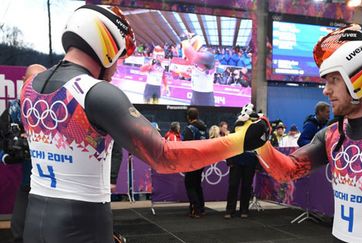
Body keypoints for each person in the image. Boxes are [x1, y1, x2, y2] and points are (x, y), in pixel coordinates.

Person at [19, 5, 270, 243]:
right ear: (106, 45)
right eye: (118, 57)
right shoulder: (96, 92)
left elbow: (36, 71)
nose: (116, 67)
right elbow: (163, 156)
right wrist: (239, 141)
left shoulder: (30, 87)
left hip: (36, 217)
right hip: (85, 220)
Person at [254, 24, 362, 243]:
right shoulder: (332, 134)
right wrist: (260, 144)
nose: (326, 90)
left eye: (333, 80)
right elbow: (287, 171)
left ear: (359, 80)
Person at [0, 64, 46, 243]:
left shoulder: (58, 108)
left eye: (39, 79)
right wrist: (6, 155)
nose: (35, 84)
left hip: (55, 187)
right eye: (30, 79)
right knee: (18, 228)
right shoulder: (14, 109)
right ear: (23, 81)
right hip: (29, 183)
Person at [182, 107, 208, 218]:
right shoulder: (204, 129)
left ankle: (195, 210)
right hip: (202, 160)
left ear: (188, 117)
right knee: (197, 184)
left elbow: (186, 146)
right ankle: (201, 208)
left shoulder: (190, 129)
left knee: (190, 184)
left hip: (192, 161)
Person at [181, 32, 216, 106]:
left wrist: (184, 39)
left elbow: (192, 55)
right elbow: (191, 74)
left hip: (205, 97)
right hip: (195, 95)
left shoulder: (208, 56)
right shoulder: (195, 57)